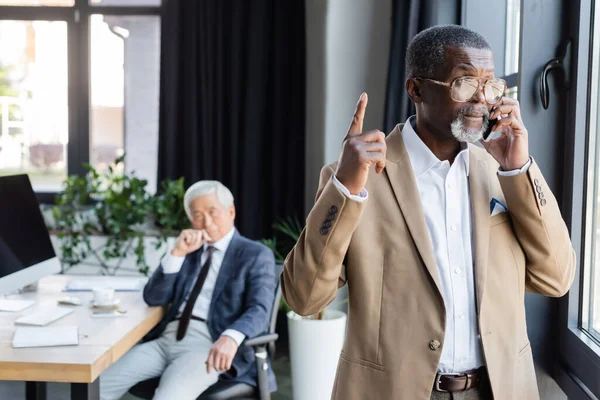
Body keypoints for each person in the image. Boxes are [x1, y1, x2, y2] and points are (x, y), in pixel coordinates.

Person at [281, 25, 576, 400]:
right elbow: (303, 297)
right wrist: (345, 190)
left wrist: (519, 170)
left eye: (490, 85)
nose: (482, 100)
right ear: (416, 89)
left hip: (500, 390)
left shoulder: (503, 171)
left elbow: (557, 278)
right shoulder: (357, 179)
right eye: (465, 83)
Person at [100, 180, 277, 400]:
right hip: (165, 340)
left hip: (209, 344)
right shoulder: (189, 251)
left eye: (213, 212)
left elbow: (260, 309)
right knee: (97, 387)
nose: (207, 223)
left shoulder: (255, 254)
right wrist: (176, 253)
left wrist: (231, 337)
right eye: (198, 215)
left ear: (231, 212)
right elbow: (153, 297)